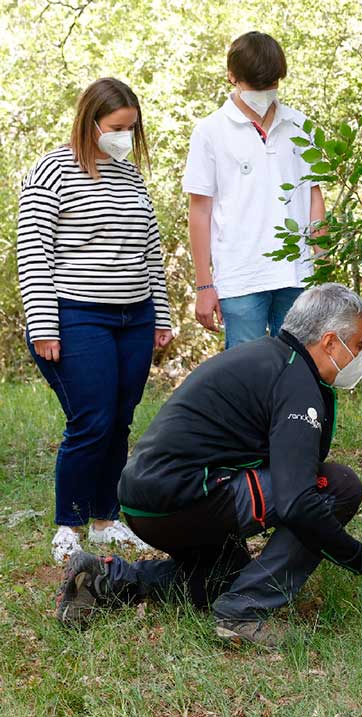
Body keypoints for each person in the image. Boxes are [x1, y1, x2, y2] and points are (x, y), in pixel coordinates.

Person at [55, 284, 362, 648]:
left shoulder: (269, 358)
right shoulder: (296, 382)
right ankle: (242, 613)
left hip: (148, 501)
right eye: (357, 345)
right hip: (182, 496)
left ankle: (109, 578)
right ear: (329, 342)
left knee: (229, 573)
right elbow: (297, 501)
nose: (358, 355)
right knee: (337, 486)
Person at [16, 77, 174, 564]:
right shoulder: (53, 170)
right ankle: (70, 526)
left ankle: (107, 522)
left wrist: (161, 316)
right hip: (77, 314)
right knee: (92, 420)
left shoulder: (130, 177)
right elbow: (34, 251)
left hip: (134, 316)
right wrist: (44, 325)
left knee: (121, 423)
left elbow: (150, 250)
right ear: (90, 122)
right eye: (117, 127)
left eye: (131, 128)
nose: (125, 136)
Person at [184, 31, 325, 349]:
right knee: (245, 376)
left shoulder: (301, 126)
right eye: (255, 85)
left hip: (297, 274)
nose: (264, 93)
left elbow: (313, 196)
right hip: (240, 276)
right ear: (232, 76)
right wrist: (204, 284)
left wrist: (323, 263)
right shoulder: (209, 131)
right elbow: (200, 210)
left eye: (271, 84)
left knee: (297, 368)